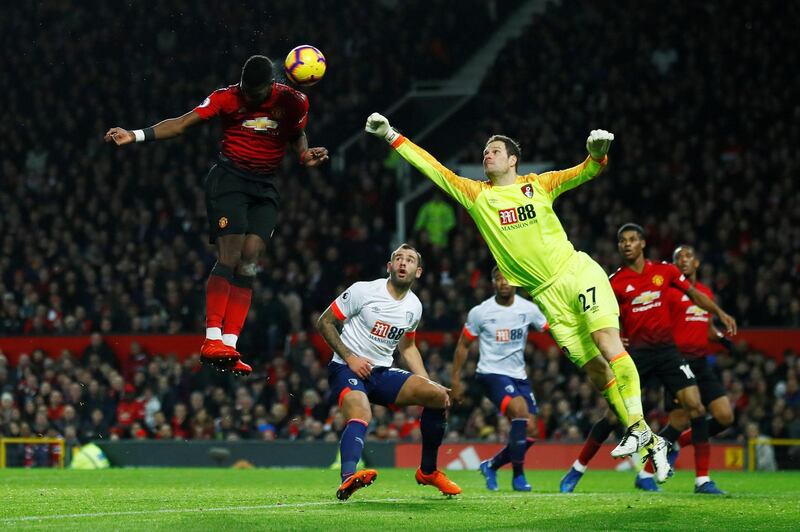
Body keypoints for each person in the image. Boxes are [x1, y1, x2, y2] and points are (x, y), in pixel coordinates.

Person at [364, 113, 670, 480]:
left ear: (512, 160)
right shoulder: (477, 196)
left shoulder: (538, 185)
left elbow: (584, 172)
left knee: (608, 344)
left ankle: (636, 426)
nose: (486, 156)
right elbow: (434, 168)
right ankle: (651, 439)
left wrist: (597, 156)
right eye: (484, 152)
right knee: (595, 372)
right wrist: (391, 135)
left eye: (494, 151)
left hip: (575, 273)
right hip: (546, 297)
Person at [104, 55, 329, 376]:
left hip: (265, 187)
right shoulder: (227, 97)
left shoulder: (294, 101)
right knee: (231, 254)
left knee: (250, 261)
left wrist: (306, 155)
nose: (248, 95)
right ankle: (211, 338)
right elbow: (181, 124)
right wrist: (136, 134)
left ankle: (229, 344)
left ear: (270, 85)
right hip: (229, 180)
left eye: (255, 92)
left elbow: (295, 135)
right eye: (245, 89)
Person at [559, 224, 737, 494]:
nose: (627, 244)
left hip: (667, 352)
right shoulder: (615, 281)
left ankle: (702, 481)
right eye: (622, 241)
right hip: (636, 356)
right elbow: (599, 314)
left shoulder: (664, 271)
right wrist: (617, 336)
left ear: (643, 243)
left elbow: (693, 293)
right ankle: (577, 469)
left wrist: (720, 313)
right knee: (613, 416)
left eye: (632, 239)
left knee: (696, 408)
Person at [316, 244, 461, 501]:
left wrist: (430, 382)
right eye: (398, 258)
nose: (404, 263)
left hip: (381, 373)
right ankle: (348, 476)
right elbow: (325, 322)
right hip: (345, 367)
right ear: (389, 266)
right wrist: (350, 357)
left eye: (410, 260)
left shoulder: (414, 306)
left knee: (438, 397)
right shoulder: (364, 290)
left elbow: (408, 346)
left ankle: (428, 471)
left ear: (418, 272)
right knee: (361, 412)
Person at [634, 245, 736, 484]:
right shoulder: (667, 293)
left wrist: (723, 341)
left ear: (697, 263)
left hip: (701, 363)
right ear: (673, 265)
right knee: (681, 419)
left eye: (688, 256)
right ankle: (652, 473)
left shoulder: (705, 294)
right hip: (678, 363)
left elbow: (706, 327)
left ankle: (676, 444)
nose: (684, 260)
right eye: (678, 258)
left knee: (725, 416)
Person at [451, 266, 549, 492]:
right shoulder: (481, 312)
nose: (504, 283)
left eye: (508, 279)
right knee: (520, 410)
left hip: (519, 376)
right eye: (498, 279)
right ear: (493, 282)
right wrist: (455, 380)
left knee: (532, 429)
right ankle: (518, 476)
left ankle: (491, 465)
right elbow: (463, 346)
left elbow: (548, 328)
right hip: (490, 373)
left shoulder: (529, 309)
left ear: (516, 282)